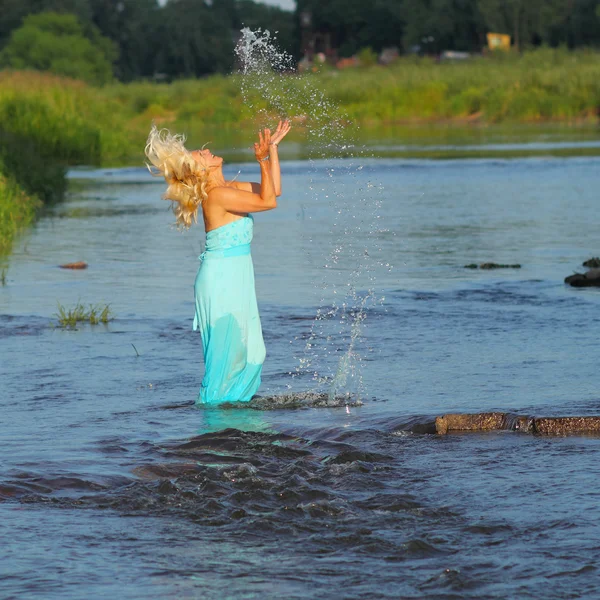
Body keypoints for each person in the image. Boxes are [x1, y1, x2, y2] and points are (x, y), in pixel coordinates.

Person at [145, 120, 291, 404]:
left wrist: (272, 149)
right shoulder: (218, 196)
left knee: (251, 352)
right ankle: (213, 419)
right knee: (229, 356)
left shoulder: (228, 188)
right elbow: (268, 202)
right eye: (201, 154)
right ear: (200, 170)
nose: (207, 150)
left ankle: (233, 416)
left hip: (234, 276)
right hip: (222, 280)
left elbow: (274, 191)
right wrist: (260, 158)